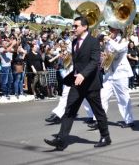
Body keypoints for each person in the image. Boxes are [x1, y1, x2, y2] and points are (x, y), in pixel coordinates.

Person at [44, 16, 110, 150]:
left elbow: (94, 62)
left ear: (85, 27)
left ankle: (106, 136)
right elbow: (77, 63)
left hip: (91, 83)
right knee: (69, 110)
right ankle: (61, 140)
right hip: (77, 83)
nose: (73, 28)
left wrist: (83, 74)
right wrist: (73, 75)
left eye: (76, 26)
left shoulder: (93, 41)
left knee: (98, 111)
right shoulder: (74, 42)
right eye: (73, 26)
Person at [90, 26, 135, 128]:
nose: (110, 31)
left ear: (118, 30)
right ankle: (99, 120)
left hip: (121, 73)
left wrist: (109, 39)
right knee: (102, 97)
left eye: (112, 29)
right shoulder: (109, 42)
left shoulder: (124, 40)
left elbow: (118, 49)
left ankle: (129, 120)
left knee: (123, 98)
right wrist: (104, 56)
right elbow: (108, 55)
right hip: (109, 73)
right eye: (109, 29)